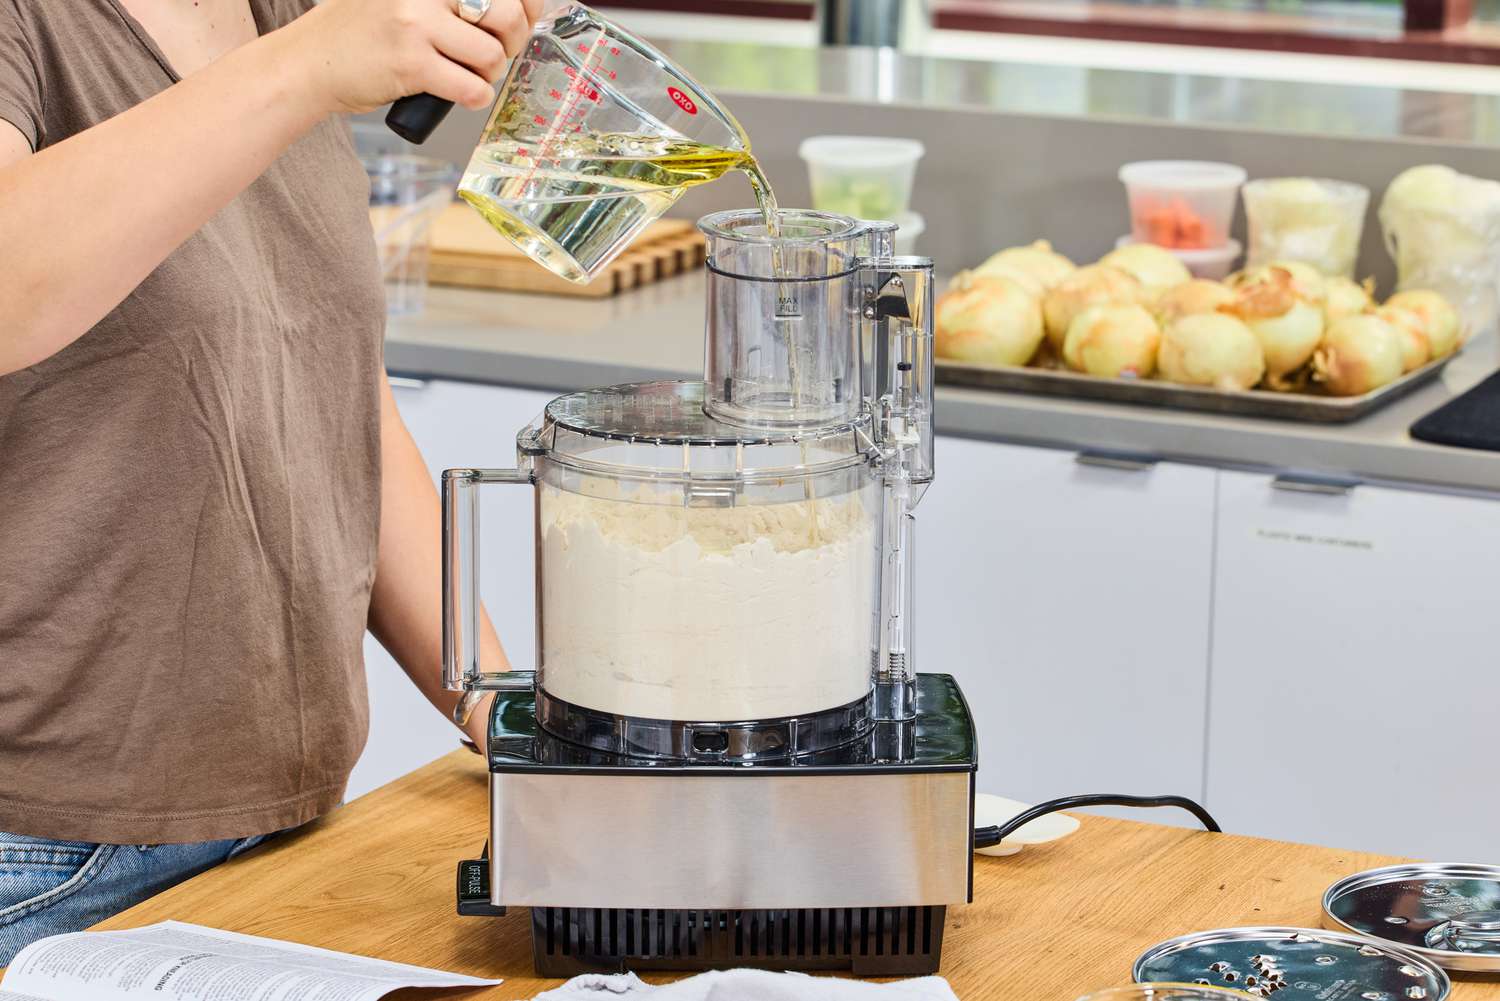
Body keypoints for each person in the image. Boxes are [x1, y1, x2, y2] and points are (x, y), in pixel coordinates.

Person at [0, 0, 539, 964]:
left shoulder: (278, 12)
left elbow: (339, 395)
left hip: (284, 830)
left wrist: (498, 708)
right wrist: (307, 64)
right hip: (41, 860)